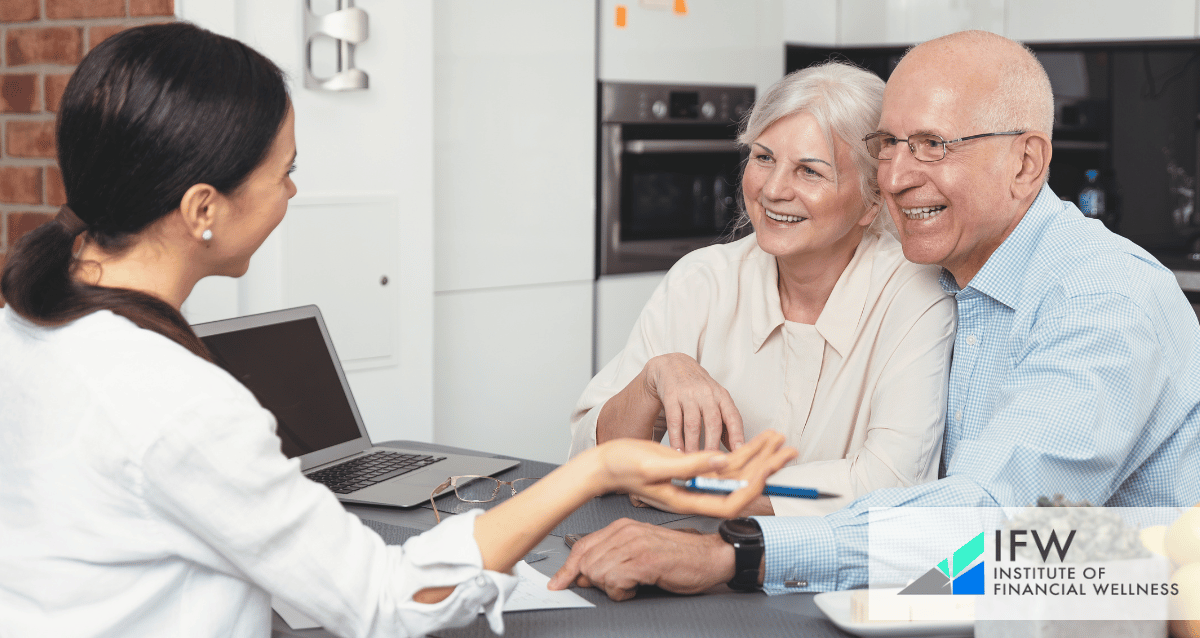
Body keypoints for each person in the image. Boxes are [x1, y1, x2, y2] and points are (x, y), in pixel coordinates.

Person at [0, 23, 799, 637]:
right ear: (203, 209)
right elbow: (386, 604)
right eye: (283, 173)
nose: (292, 191)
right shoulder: (176, 402)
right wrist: (595, 472)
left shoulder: (31, 322)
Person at [551, 30, 1200, 600]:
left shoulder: (1098, 298)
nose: (893, 177)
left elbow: (995, 519)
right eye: (889, 144)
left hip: (1130, 604)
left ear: (1025, 163)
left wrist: (739, 553)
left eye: (932, 144)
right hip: (998, 595)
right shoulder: (957, 276)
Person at [569, 62, 957, 517]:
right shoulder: (703, 280)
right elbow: (586, 458)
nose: (773, 189)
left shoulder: (916, 295)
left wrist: (701, 491)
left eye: (809, 172)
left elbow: (891, 485)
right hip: (677, 550)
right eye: (763, 157)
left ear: (872, 201)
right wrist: (655, 377)